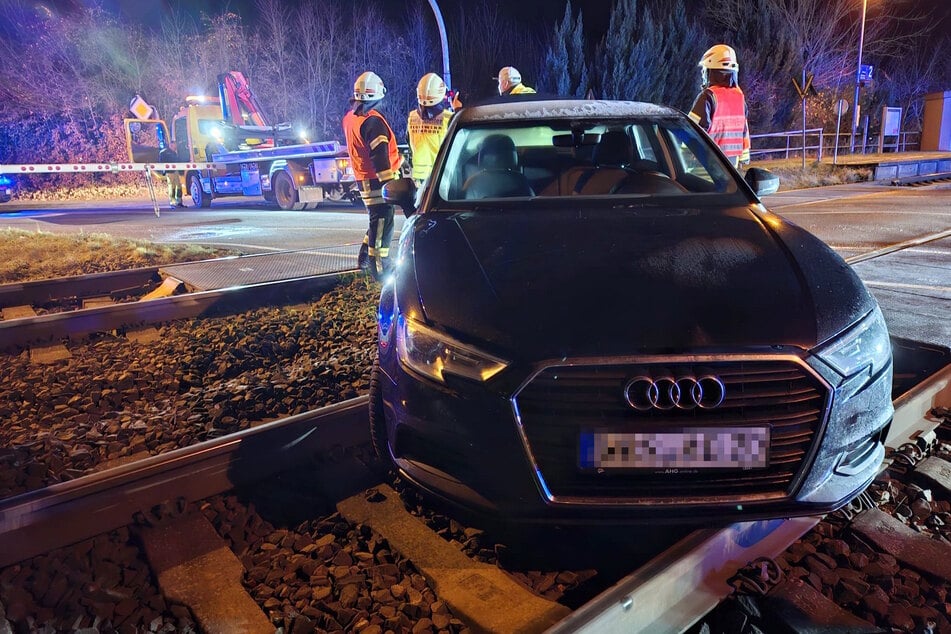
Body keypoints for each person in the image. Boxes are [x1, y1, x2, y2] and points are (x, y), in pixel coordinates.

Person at [342, 71, 402, 279]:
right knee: (383, 223)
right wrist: (390, 185)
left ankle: (364, 260)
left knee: (376, 221)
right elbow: (380, 157)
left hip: (364, 178)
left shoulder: (351, 118)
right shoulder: (373, 122)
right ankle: (379, 270)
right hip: (377, 181)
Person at [688, 44, 751, 168]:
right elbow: (744, 131)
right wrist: (744, 157)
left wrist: (683, 158)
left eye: (705, 70)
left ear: (712, 72)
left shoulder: (708, 96)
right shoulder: (739, 98)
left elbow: (692, 131)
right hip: (731, 168)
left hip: (706, 164)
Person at [407, 73, 455, 186]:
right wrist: (458, 109)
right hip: (442, 177)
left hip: (419, 179)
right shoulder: (448, 118)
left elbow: (409, 142)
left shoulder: (412, 116)